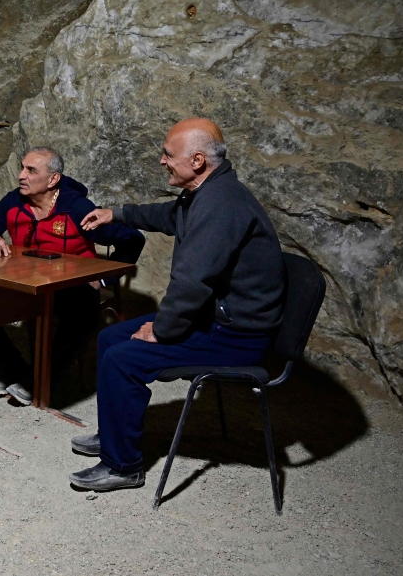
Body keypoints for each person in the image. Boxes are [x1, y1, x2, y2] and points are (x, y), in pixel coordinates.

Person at [69, 118, 286, 492]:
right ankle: (114, 435)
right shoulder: (205, 193)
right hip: (215, 318)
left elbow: (191, 283)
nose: (162, 161)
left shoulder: (221, 204)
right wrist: (116, 213)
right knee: (110, 338)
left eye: (168, 154)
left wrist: (162, 330)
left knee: (123, 359)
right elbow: (167, 215)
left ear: (197, 160)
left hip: (236, 334)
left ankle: (123, 466)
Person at [0, 147, 145, 405]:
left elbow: (132, 239)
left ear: (53, 179)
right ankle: (15, 373)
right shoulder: (14, 200)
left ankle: (41, 381)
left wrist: (103, 279)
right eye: (22, 168)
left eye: (31, 170)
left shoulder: (77, 208)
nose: (21, 175)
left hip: (70, 287)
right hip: (27, 284)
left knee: (83, 309)